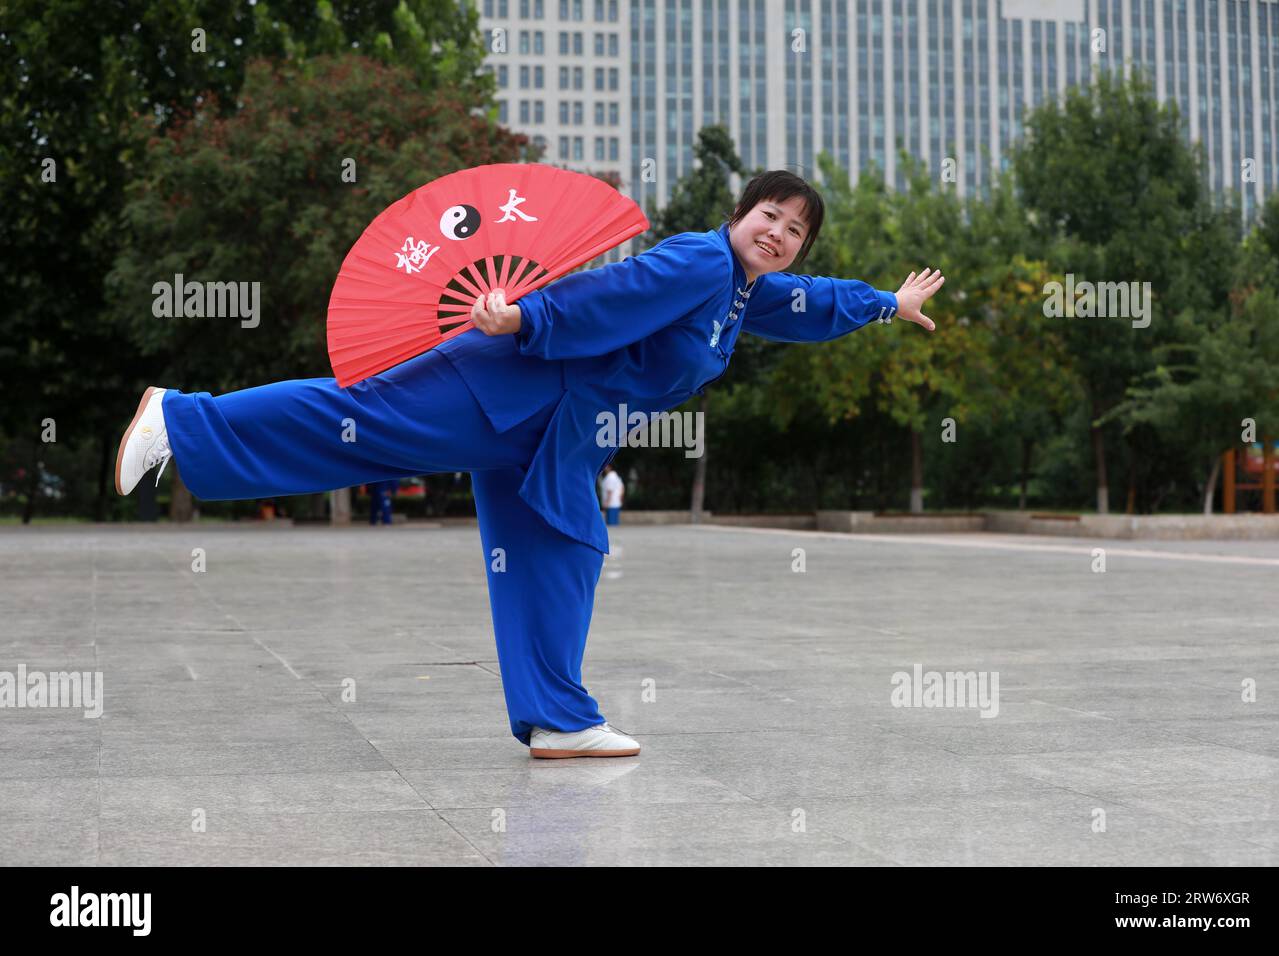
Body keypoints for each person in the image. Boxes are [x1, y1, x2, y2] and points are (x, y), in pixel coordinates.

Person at [114, 170, 944, 759]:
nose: (780, 233)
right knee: (354, 421)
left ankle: (556, 718)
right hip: (511, 382)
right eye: (771, 214)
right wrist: (526, 320)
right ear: (740, 214)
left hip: (553, 436)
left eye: (796, 229)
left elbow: (813, 304)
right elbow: (612, 295)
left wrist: (886, 305)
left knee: (562, 546)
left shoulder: (740, 295)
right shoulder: (700, 261)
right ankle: (183, 420)